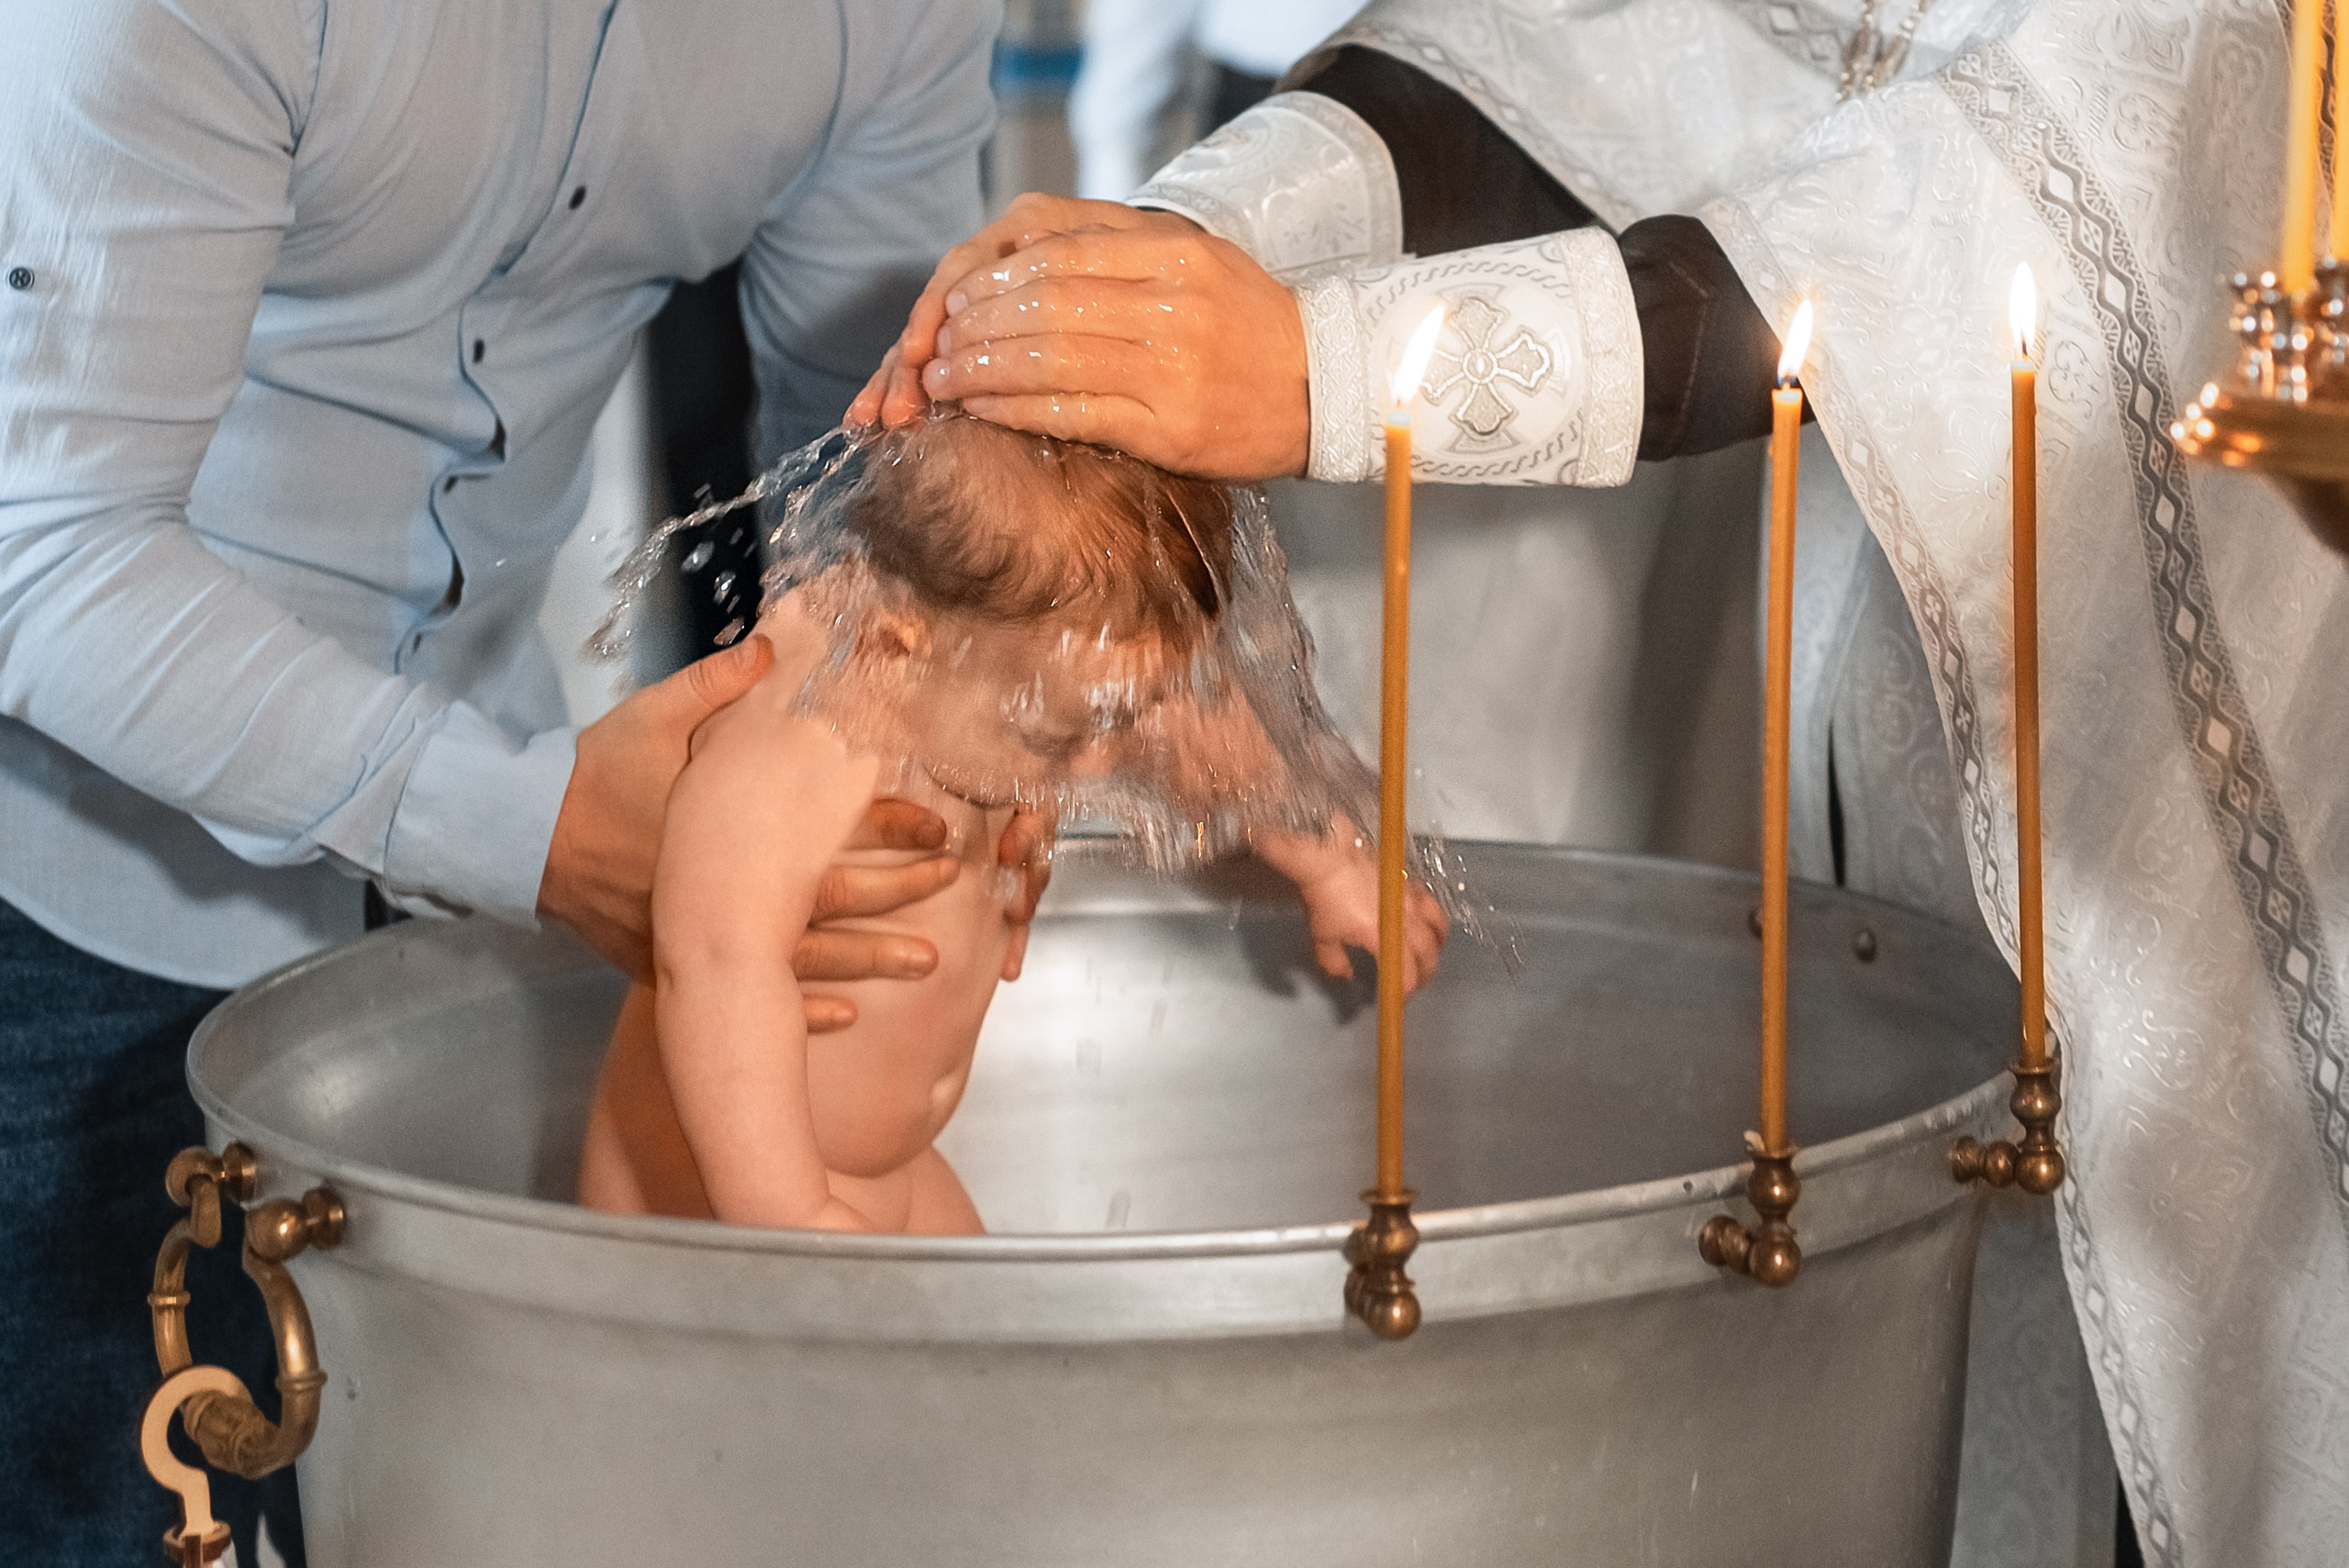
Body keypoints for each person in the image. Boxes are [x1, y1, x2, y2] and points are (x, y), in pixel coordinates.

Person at [849, 3, 2349, 1564]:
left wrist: (1320, 367)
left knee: (2171, 1334)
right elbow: (1588, 40)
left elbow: (2006, 179)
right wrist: (1175, 252)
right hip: (1828, 680)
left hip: (2187, 673)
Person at [0, 2, 1029, 1563]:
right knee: (108, 1505)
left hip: (470, 878)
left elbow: (870, 457)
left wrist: (1077, 713)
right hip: (63, 878)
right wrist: (531, 828)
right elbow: (43, 547)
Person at [579, 413, 1445, 1231]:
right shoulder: (800, 735)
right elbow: (716, 961)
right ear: (899, 640)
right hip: (719, 1189)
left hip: (889, 1168)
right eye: (1054, 731)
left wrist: (1330, 862)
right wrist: (788, 1218)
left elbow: (1196, 721)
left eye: (1113, 715)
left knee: (997, 1375)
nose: (1104, 760)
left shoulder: (1019, 642)